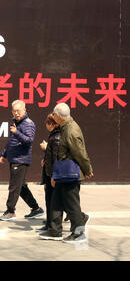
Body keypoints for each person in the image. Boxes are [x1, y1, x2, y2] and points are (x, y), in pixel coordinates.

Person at [39, 102, 93, 243]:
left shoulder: (70, 131)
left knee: (72, 205)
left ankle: (79, 234)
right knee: (56, 201)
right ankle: (55, 230)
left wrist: (87, 170)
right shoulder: (65, 127)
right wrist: (55, 174)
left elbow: (80, 153)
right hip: (63, 172)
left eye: (54, 114)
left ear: (57, 116)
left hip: (71, 173)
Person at [0, 99, 44, 221]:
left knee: (14, 186)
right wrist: (4, 154)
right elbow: (11, 142)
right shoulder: (16, 124)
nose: (16, 113)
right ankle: (36, 209)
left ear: (25, 110)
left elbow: (29, 140)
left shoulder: (28, 123)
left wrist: (17, 132)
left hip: (21, 160)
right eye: (14, 111)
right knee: (21, 187)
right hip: (14, 158)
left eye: (18, 111)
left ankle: (10, 211)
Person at [36, 114, 61, 232]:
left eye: (48, 123)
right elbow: (51, 155)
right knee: (49, 199)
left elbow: (56, 157)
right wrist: (45, 159)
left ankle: (79, 218)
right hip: (49, 172)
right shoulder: (54, 135)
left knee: (54, 200)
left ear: (52, 124)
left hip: (52, 174)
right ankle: (49, 224)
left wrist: (54, 175)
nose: (46, 125)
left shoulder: (56, 137)